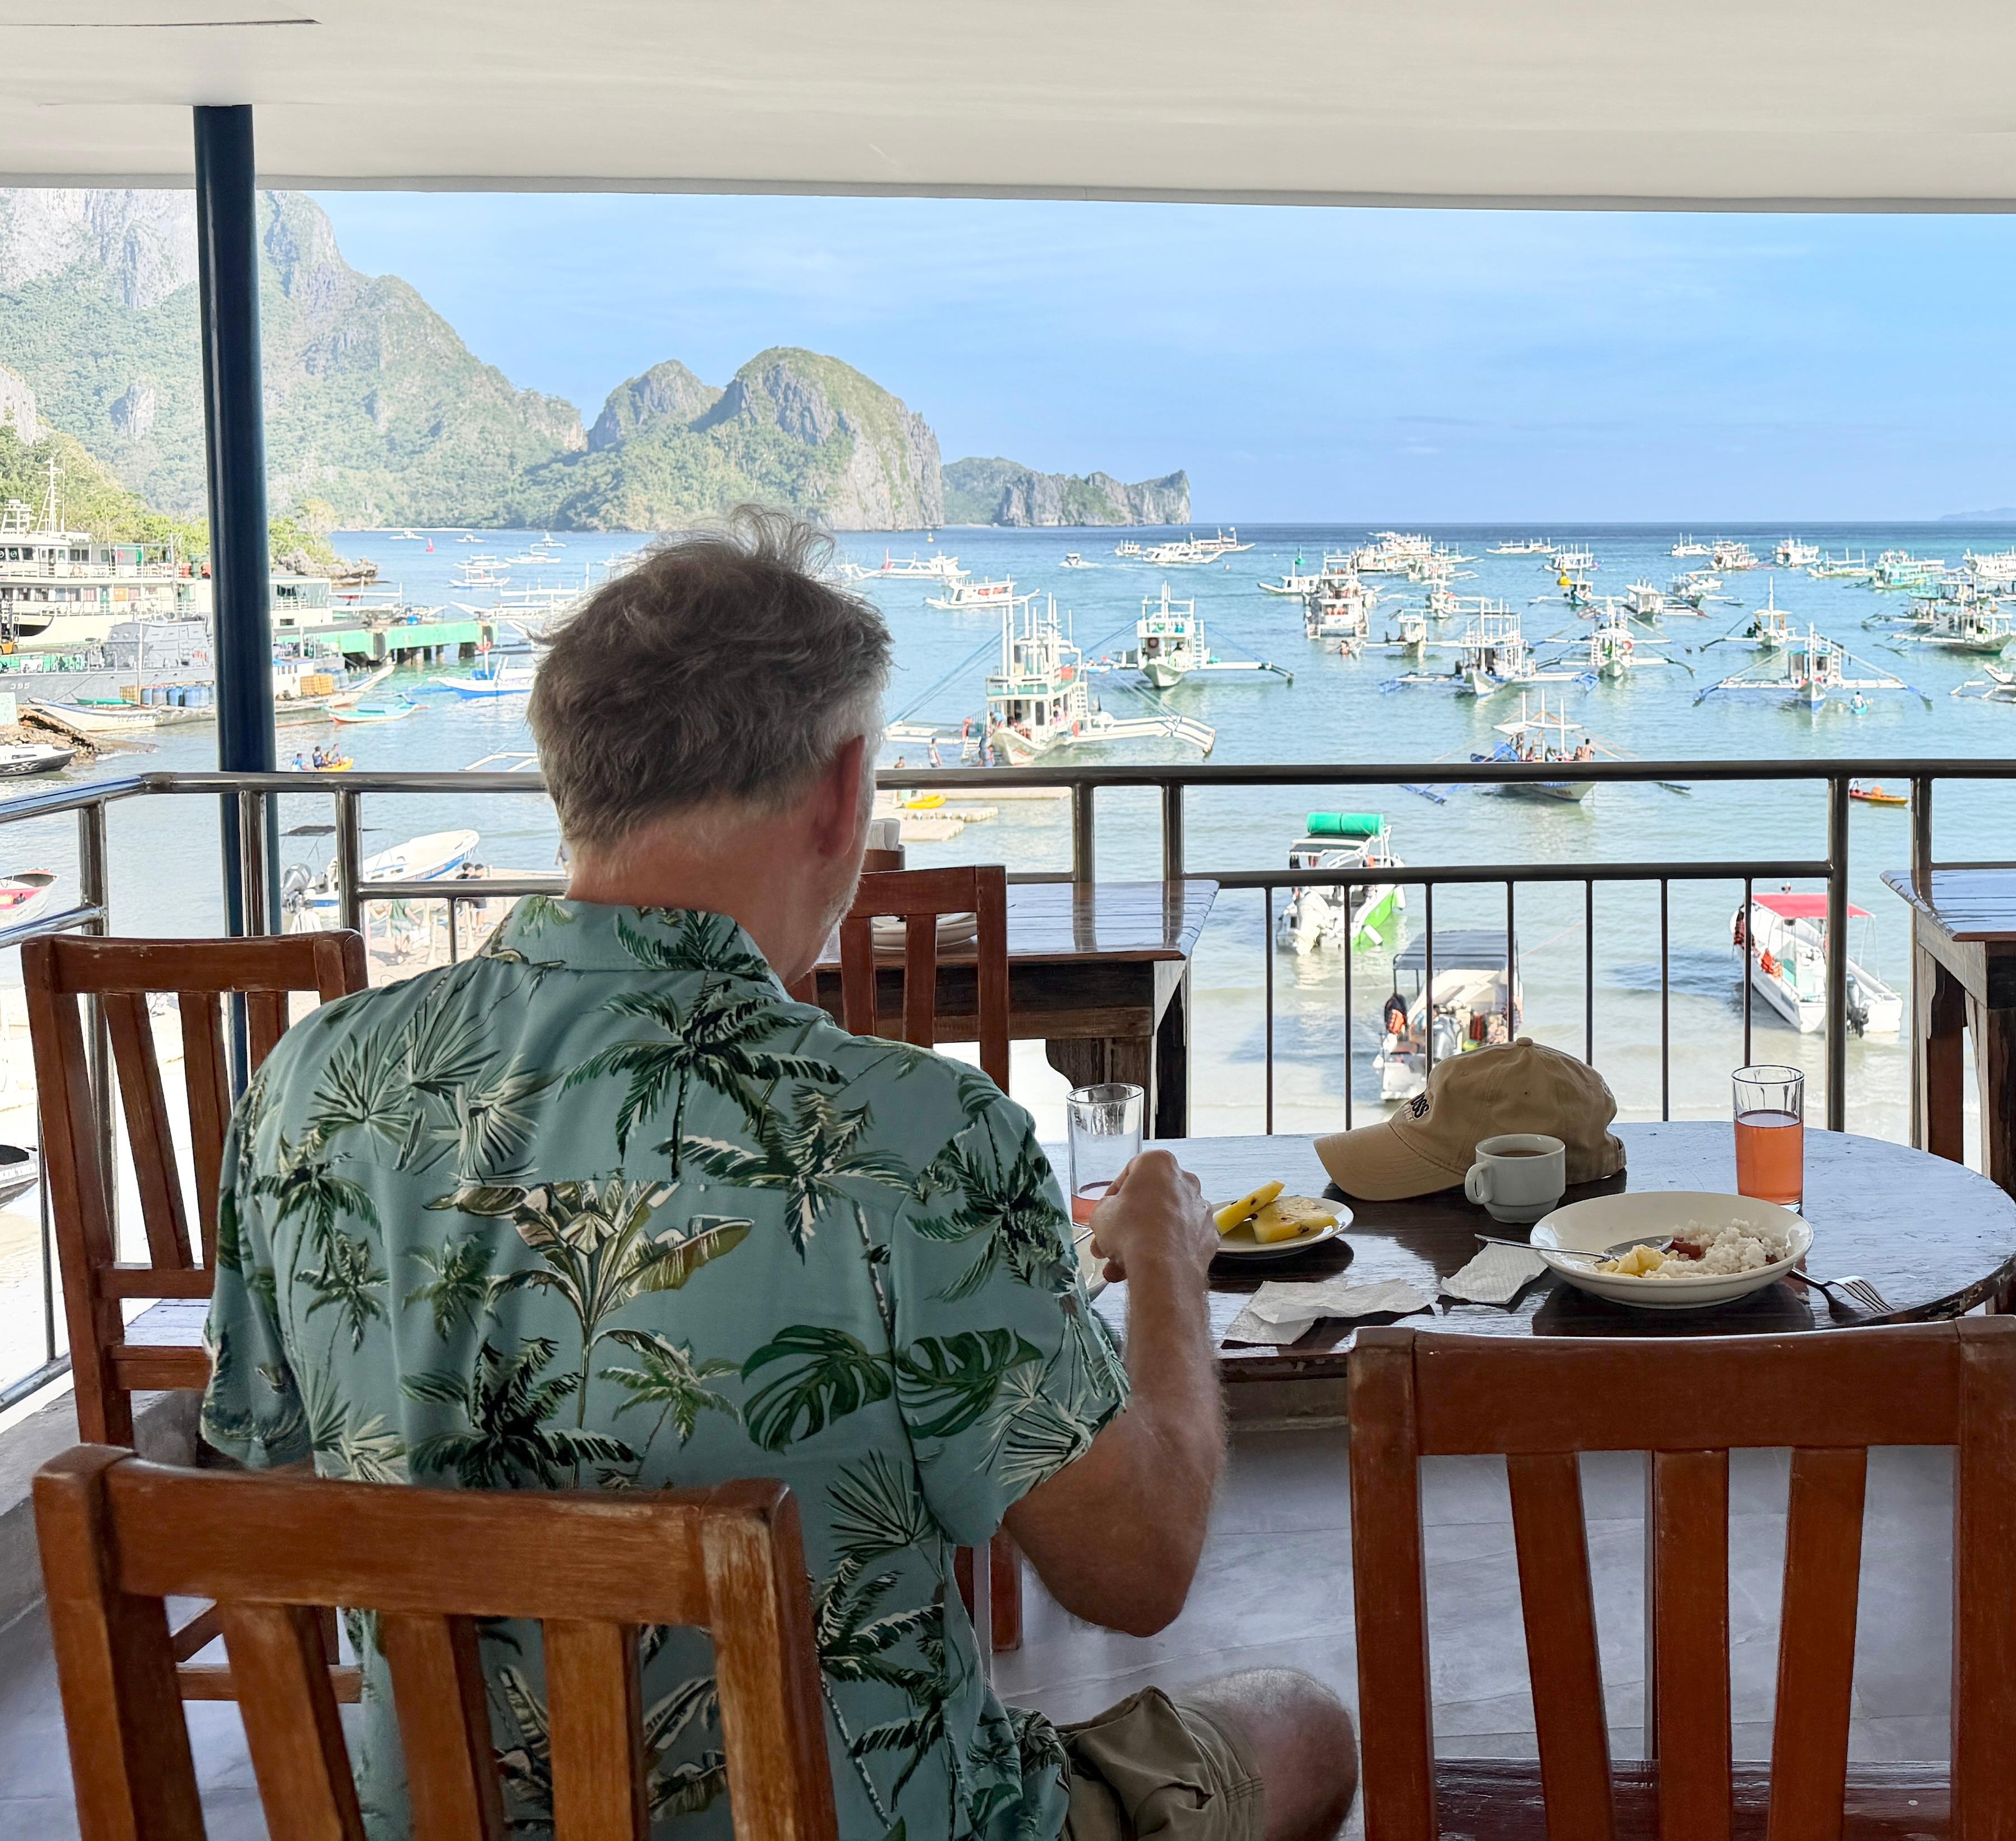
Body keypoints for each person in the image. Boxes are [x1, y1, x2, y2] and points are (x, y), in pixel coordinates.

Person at [201, 509, 1355, 1841]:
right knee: (1299, 1722)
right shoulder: (915, 1138)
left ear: (572, 777)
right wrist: (1166, 1268)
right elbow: (1139, 1564)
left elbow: (257, 1482)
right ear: (840, 784)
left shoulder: (308, 1082)